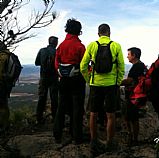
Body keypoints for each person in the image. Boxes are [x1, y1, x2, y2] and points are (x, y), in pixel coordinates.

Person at [80, 23, 125, 155]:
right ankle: (110, 142)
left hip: (96, 85)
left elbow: (83, 66)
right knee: (110, 115)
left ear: (98, 33)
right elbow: (121, 67)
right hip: (111, 85)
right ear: (109, 33)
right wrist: (117, 82)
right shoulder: (116, 45)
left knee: (93, 113)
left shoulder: (92, 45)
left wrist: (89, 80)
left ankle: (94, 142)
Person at [53, 18, 86, 144]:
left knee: (61, 106)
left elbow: (56, 63)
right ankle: (76, 136)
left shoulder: (61, 45)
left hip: (63, 80)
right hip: (77, 80)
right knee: (77, 108)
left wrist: (61, 73)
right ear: (79, 31)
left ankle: (57, 134)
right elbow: (84, 66)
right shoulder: (80, 46)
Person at [121, 47, 147, 146]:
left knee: (132, 118)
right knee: (131, 117)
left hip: (133, 97)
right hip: (137, 96)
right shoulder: (142, 66)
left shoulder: (136, 67)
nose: (127, 56)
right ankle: (133, 138)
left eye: (128, 54)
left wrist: (116, 83)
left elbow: (130, 81)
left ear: (134, 55)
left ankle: (133, 139)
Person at [35, 36, 59, 124]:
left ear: (49, 42)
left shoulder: (42, 50)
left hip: (43, 77)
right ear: (56, 43)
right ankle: (55, 118)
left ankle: (39, 118)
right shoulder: (57, 52)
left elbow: (37, 62)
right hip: (54, 78)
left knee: (42, 98)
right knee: (54, 98)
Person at [0, 42, 11, 134]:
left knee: (2, 105)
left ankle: (3, 126)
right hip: (5, 85)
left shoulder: (2, 57)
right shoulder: (8, 55)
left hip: (1, 85)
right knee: (4, 104)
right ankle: (5, 125)